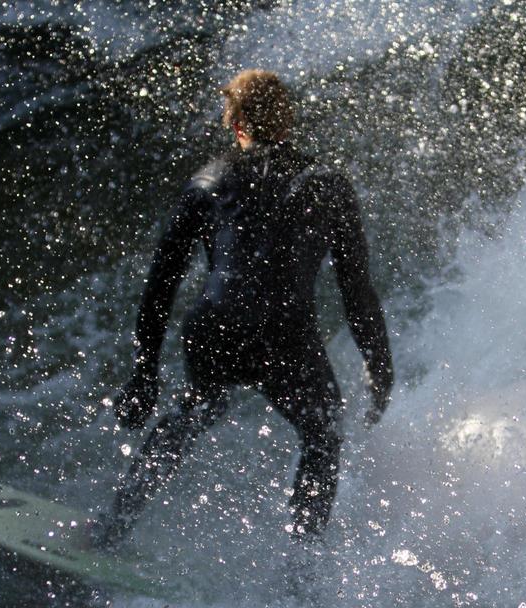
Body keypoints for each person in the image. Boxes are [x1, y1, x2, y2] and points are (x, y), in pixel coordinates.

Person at [100, 69, 393, 545]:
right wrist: (380, 367)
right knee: (321, 437)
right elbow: (357, 291)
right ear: (287, 124)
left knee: (196, 409)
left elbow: (161, 284)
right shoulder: (329, 185)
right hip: (284, 332)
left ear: (235, 124)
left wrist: (144, 371)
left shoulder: (207, 181)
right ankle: (299, 570)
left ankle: (111, 530)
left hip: (214, 327)